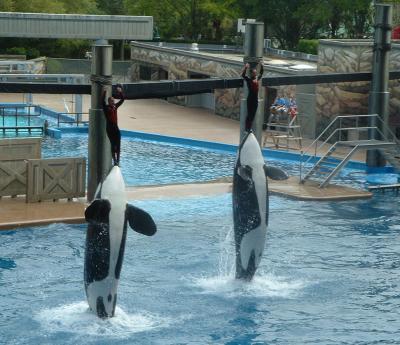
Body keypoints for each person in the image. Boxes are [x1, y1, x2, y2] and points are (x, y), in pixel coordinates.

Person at [102, 85, 124, 166]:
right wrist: (104, 92)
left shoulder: (115, 107)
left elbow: (122, 100)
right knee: (113, 144)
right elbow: (102, 101)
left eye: (113, 100)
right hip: (109, 128)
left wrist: (120, 92)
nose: (113, 102)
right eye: (111, 101)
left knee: (118, 144)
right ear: (109, 102)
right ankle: (114, 160)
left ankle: (118, 161)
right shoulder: (106, 108)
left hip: (116, 127)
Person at [241, 62, 264, 132]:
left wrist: (262, 65)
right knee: (249, 114)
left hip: (255, 99)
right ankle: (246, 128)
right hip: (250, 99)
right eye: (254, 72)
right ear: (251, 73)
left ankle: (249, 128)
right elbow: (242, 75)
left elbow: (261, 73)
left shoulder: (257, 78)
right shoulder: (248, 79)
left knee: (253, 115)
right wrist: (246, 67)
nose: (255, 73)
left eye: (255, 72)